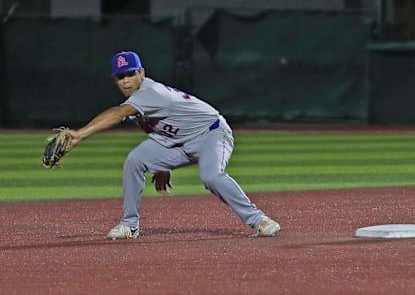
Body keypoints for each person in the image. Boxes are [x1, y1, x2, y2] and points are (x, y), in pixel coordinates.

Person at [65, 51, 280, 239]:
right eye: (120, 77)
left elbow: (118, 113)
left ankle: (258, 219)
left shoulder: (150, 93)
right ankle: (130, 225)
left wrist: (80, 134)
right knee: (135, 161)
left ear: (142, 73)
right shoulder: (138, 100)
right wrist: (162, 164)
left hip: (211, 134)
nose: (126, 81)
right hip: (181, 143)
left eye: (131, 74)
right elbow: (161, 130)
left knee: (211, 176)